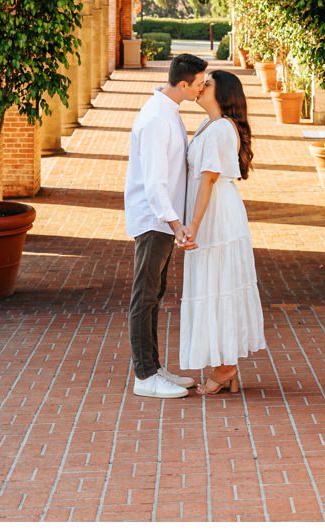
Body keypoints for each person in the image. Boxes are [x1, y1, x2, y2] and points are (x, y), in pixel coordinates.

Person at [124, 53, 209, 398]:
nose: (204, 88)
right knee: (143, 298)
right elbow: (155, 182)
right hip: (154, 221)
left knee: (154, 295)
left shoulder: (168, 113)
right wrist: (176, 225)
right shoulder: (157, 120)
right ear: (184, 84)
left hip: (162, 220)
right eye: (201, 83)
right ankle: (145, 377)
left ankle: (154, 367)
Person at [178, 69, 267, 394]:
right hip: (213, 212)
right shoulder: (211, 126)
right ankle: (224, 364)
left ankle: (225, 367)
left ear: (223, 93)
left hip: (216, 216)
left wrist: (193, 226)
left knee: (217, 285)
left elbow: (209, 179)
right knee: (213, 284)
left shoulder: (219, 130)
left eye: (208, 84)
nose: (201, 87)